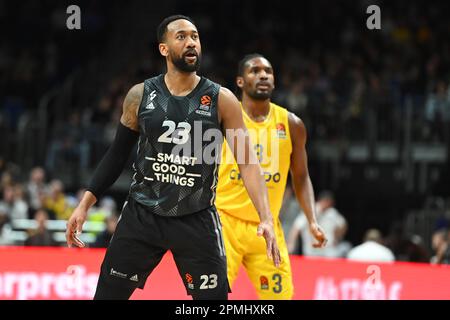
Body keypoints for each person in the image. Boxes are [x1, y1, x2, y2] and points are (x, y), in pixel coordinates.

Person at [65, 15, 280, 300]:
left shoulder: (222, 99)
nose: (191, 42)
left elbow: (248, 163)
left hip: (196, 217)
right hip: (142, 214)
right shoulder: (139, 96)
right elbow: (116, 155)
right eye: (181, 37)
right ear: (163, 48)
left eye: (195, 36)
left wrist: (265, 217)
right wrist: (84, 205)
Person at [215, 54, 327, 300]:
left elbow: (300, 177)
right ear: (240, 81)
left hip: (266, 227)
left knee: (280, 298)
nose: (263, 75)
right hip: (224, 223)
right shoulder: (223, 118)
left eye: (268, 71)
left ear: (274, 82)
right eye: (254, 71)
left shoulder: (292, 124)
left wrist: (312, 220)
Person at [287, 190, 347, 258]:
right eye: (327, 202)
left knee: (346, 247)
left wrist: (337, 237)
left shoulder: (331, 212)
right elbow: (296, 227)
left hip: (328, 252)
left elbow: (343, 225)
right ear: (323, 201)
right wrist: (291, 244)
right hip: (311, 252)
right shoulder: (311, 211)